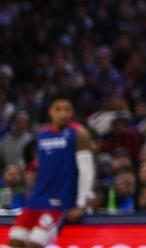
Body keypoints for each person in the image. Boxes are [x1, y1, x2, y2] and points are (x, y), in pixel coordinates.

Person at [6, 98, 94, 248]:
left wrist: (81, 203)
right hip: (36, 199)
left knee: (35, 243)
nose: (63, 113)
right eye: (58, 109)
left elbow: (87, 170)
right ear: (50, 112)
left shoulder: (79, 133)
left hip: (59, 201)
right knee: (15, 241)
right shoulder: (42, 134)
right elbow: (41, 167)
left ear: (72, 113)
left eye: (67, 109)